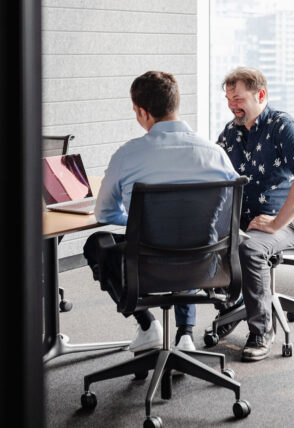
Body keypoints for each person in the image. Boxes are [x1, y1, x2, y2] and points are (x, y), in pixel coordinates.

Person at [84, 71, 238, 354]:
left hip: (146, 267)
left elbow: (105, 213)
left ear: (143, 112)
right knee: (190, 236)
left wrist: (144, 223)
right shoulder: (215, 154)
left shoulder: (128, 155)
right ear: (175, 104)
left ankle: (147, 325)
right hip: (205, 264)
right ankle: (185, 335)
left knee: (97, 244)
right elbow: (228, 215)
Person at [217, 67, 294, 361]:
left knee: (250, 248)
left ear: (260, 95)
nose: (232, 105)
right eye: (228, 100)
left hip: (290, 221)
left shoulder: (282, 125)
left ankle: (261, 330)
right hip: (247, 218)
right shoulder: (231, 131)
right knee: (201, 235)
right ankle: (227, 305)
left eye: (238, 98)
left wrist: (276, 223)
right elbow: (213, 170)